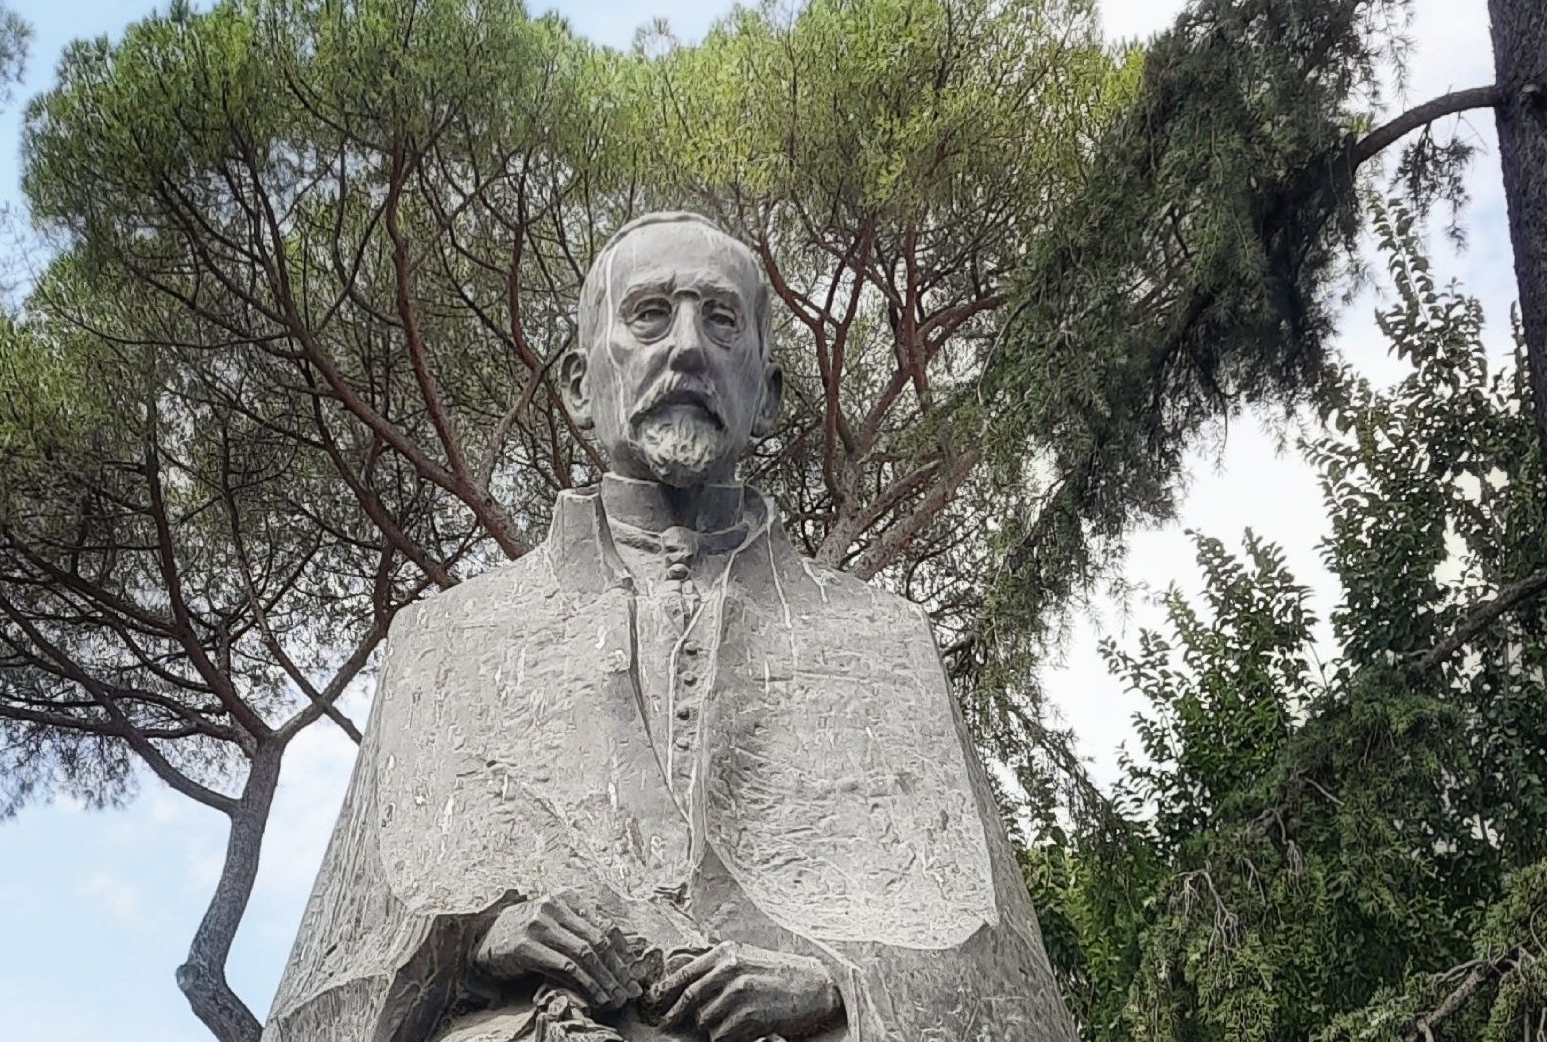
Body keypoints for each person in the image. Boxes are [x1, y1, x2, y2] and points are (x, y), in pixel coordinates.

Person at [265, 212, 1076, 1042]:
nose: (686, 346)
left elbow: (1005, 979)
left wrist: (838, 986)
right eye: (649, 314)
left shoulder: (886, 640)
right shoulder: (444, 642)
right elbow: (324, 993)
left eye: (721, 320)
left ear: (766, 394)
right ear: (581, 386)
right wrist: (479, 941)